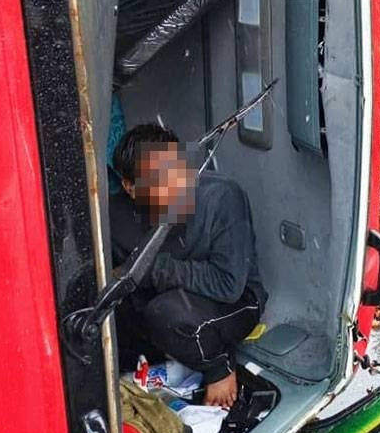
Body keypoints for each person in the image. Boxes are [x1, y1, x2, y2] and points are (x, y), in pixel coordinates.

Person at [111, 123, 268, 409]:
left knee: (166, 313)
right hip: (167, 296)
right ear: (130, 188)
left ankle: (219, 367)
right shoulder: (118, 215)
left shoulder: (222, 197)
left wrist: (154, 269)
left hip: (234, 301)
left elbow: (228, 284)